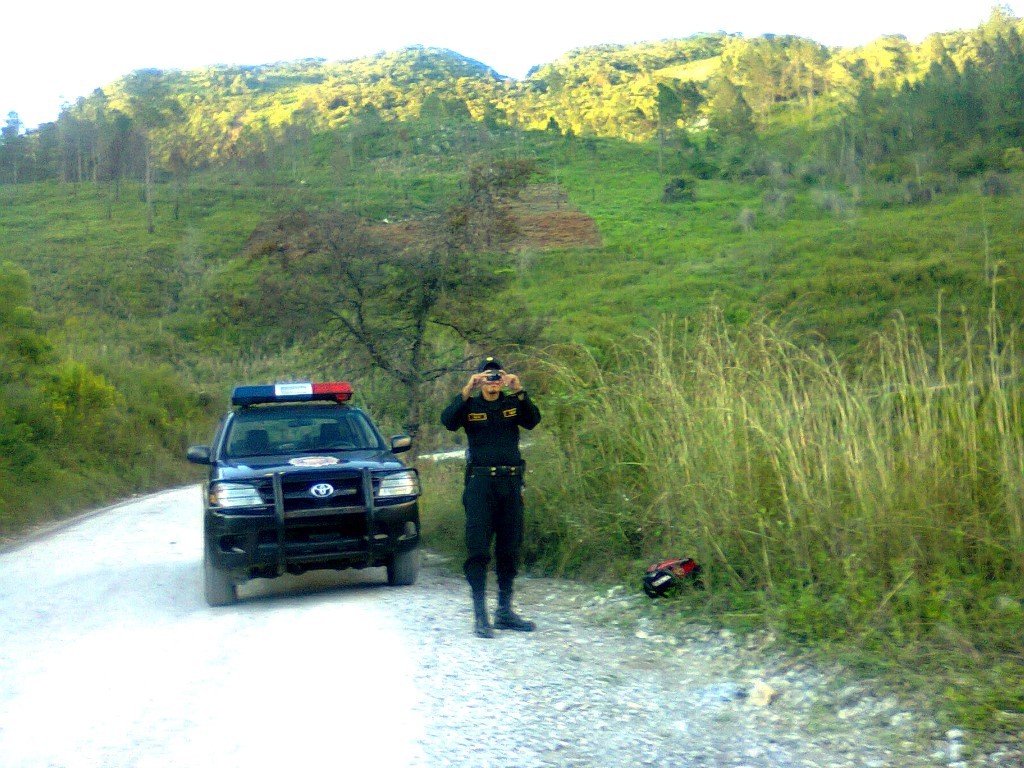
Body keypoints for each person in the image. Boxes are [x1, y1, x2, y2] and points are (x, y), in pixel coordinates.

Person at [440, 356, 542, 638]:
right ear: (480, 379)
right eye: (487, 376)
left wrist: (519, 390)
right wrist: (466, 390)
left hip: (510, 483)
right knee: (479, 550)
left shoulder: (513, 403)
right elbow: (448, 421)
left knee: (509, 548)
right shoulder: (470, 406)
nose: (493, 381)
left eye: (496, 376)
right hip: (480, 485)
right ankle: (480, 616)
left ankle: (504, 612)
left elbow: (533, 421)